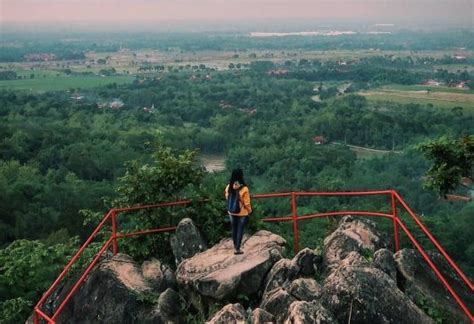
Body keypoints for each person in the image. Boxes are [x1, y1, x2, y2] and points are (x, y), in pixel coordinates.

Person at [225, 168, 252, 255]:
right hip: (242, 212)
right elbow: (247, 203)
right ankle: (237, 249)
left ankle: (235, 246)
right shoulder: (244, 189)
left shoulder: (229, 186)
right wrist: (250, 210)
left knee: (234, 229)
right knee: (240, 229)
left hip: (231, 212)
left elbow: (227, 197)